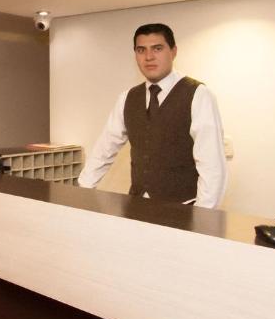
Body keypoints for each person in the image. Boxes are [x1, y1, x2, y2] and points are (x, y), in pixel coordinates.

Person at [77, 23, 227, 208]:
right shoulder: (127, 98)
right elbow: (104, 149)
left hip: (184, 209)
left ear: (173, 51)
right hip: (137, 205)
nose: (149, 57)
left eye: (157, 48)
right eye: (141, 50)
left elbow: (212, 165)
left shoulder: (198, 94)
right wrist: (80, 191)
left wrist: (203, 218)